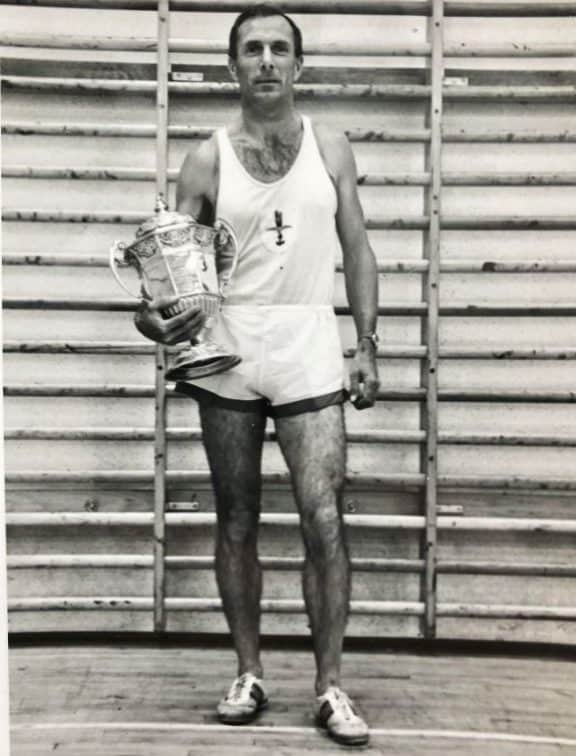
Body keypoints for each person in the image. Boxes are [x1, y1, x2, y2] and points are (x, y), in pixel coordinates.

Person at [135, 3, 380, 746]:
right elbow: (164, 276)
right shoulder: (206, 158)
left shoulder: (330, 147)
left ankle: (330, 686)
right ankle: (247, 672)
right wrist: (154, 320)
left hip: (308, 338)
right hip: (229, 345)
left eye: (279, 48)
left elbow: (359, 247)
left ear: (298, 66)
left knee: (323, 517)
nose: (266, 60)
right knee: (235, 518)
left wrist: (366, 343)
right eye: (252, 49)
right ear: (233, 65)